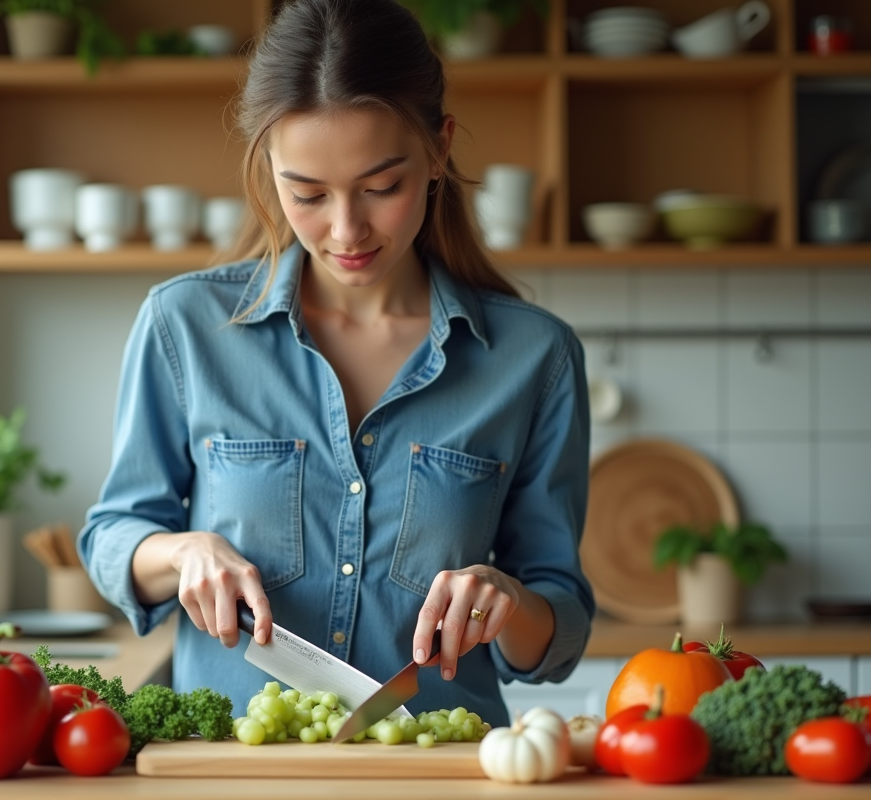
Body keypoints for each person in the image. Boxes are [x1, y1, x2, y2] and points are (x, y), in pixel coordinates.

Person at [79, 0, 593, 728]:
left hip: (437, 775)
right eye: (308, 194)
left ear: (439, 149)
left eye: (382, 187)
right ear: (269, 168)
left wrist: (505, 596)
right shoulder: (185, 327)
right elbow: (111, 539)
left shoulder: (534, 358)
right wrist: (183, 552)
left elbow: (560, 626)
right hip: (233, 773)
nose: (346, 230)